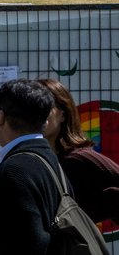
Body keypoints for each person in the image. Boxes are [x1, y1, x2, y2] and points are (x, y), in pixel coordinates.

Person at [0, 78, 64, 254]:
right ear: (45, 122)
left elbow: (31, 242)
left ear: (1, 117)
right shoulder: (52, 161)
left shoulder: (15, 170)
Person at [41, 78, 119, 223]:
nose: (36, 114)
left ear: (63, 114)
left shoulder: (78, 159)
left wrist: (79, 219)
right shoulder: (38, 161)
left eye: (44, 106)